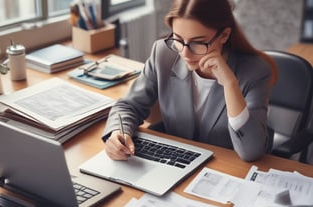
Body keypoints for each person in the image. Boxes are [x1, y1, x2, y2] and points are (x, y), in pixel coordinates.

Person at [102, 0, 277, 162]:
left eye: (198, 43)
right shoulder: (164, 53)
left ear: (224, 35)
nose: (185, 53)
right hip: (175, 162)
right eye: (178, 39)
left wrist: (230, 84)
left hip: (225, 170)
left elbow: (251, 151)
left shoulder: (254, 71)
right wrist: (118, 132)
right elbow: (129, 105)